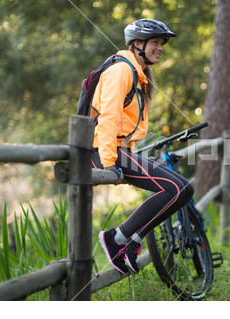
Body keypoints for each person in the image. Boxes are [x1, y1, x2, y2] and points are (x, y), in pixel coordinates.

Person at [92, 19, 194, 274]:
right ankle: (116, 238)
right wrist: (108, 162)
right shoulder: (121, 71)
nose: (160, 48)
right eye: (156, 42)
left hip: (120, 152)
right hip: (101, 152)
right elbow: (108, 117)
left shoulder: (139, 75)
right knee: (173, 189)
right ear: (137, 44)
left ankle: (131, 241)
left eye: (162, 44)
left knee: (185, 189)